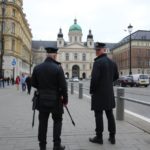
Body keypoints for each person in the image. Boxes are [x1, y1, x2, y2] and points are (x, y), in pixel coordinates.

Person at [32, 47, 68, 150]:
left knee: (43, 121)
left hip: (42, 98)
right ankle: (56, 144)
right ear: (55, 56)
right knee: (57, 120)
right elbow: (63, 86)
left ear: (46, 55)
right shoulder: (58, 68)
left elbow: (33, 83)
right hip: (56, 100)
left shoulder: (37, 67)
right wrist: (65, 100)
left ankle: (42, 145)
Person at [89, 42, 119, 145]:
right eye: (96, 50)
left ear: (104, 50)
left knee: (98, 114)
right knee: (109, 113)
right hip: (109, 92)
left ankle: (99, 137)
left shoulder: (98, 62)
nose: (96, 51)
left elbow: (94, 79)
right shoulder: (112, 63)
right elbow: (116, 76)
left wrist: (92, 91)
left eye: (98, 49)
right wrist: (108, 81)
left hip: (98, 92)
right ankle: (112, 136)